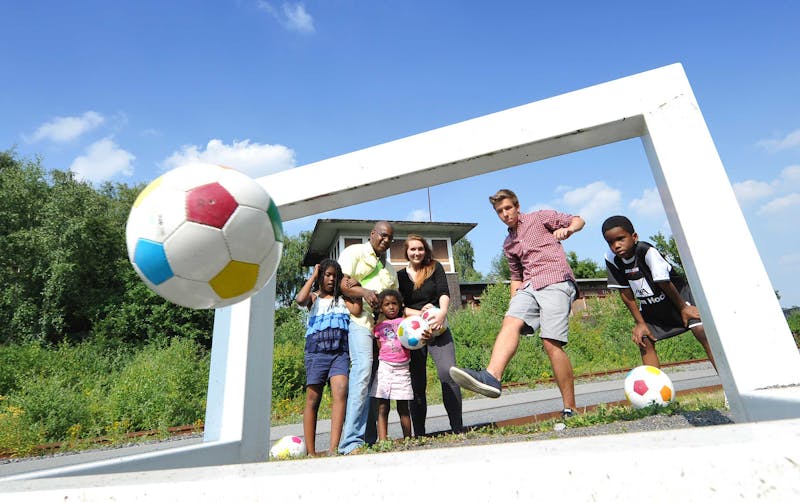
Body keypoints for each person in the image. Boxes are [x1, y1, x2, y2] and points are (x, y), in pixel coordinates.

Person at [449, 188, 585, 418]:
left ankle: (570, 407)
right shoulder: (508, 243)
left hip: (555, 279)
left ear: (517, 206)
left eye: (508, 208)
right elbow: (516, 276)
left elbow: (578, 219)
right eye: (500, 211)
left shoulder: (540, 217)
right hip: (529, 285)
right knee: (510, 322)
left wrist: (568, 229)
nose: (505, 214)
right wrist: (514, 303)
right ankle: (492, 377)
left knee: (551, 342)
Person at [601, 215, 717, 370]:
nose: (616, 245)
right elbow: (626, 294)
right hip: (652, 308)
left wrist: (683, 308)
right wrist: (640, 323)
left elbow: (664, 282)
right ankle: (653, 392)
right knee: (644, 338)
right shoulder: (611, 259)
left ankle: (729, 387)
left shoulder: (646, 251)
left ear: (634, 237)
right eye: (610, 242)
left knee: (701, 331)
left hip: (678, 300)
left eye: (621, 239)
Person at [337, 221, 400, 455]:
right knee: (362, 371)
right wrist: (364, 292)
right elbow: (342, 283)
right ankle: (350, 441)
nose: (386, 240)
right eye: (382, 235)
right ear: (372, 234)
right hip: (358, 322)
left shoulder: (390, 270)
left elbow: (393, 300)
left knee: (375, 380)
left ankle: (369, 438)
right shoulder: (354, 252)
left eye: (390, 238)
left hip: (380, 329)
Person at [295, 259, 362, 456]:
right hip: (316, 354)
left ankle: (334, 448)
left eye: (335, 275)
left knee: (341, 391)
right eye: (328, 275)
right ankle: (311, 451)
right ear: (321, 276)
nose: (332, 279)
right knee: (313, 398)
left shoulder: (343, 300)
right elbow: (300, 300)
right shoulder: (314, 298)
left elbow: (357, 310)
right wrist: (313, 276)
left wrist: (355, 284)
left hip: (339, 354)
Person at [398, 234, 463, 436]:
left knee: (448, 373)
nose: (417, 252)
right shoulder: (399, 276)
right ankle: (419, 434)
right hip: (413, 334)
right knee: (417, 383)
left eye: (420, 249)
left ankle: (457, 427)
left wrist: (441, 312)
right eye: (412, 249)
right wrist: (420, 314)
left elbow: (444, 291)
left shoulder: (435, 267)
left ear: (425, 250)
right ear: (406, 252)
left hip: (438, 328)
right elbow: (399, 307)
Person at [370, 289, 413, 440]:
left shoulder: (405, 323)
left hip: (402, 368)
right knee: (382, 406)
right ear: (381, 307)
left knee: (403, 406)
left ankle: (408, 438)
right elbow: (378, 348)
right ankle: (383, 441)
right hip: (385, 367)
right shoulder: (378, 327)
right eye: (387, 304)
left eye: (394, 303)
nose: (391, 307)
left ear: (400, 305)